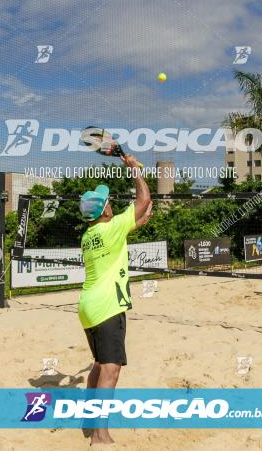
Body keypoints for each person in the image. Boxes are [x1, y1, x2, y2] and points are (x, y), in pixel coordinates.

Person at [78, 154, 152, 445]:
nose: (110, 203)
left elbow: (132, 222)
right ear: (104, 212)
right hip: (108, 306)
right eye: (107, 202)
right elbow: (143, 200)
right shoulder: (111, 227)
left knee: (98, 364)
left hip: (87, 306)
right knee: (111, 369)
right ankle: (99, 435)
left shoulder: (90, 234)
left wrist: (139, 220)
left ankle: (88, 417)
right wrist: (134, 169)